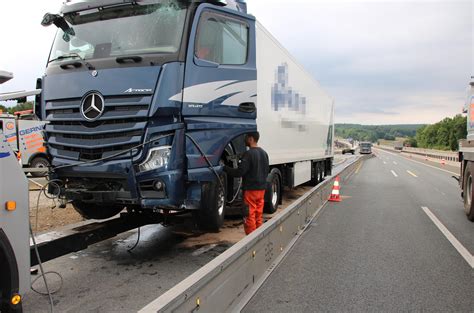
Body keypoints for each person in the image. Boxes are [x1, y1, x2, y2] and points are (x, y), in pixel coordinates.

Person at [224, 131, 269, 235]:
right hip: (261, 189)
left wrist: (224, 168)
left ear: (251, 139)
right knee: (258, 215)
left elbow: (239, 172)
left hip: (250, 191)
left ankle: (251, 241)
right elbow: (266, 170)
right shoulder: (264, 153)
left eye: (246, 137)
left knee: (249, 216)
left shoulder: (248, 154)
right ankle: (259, 237)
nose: (244, 139)